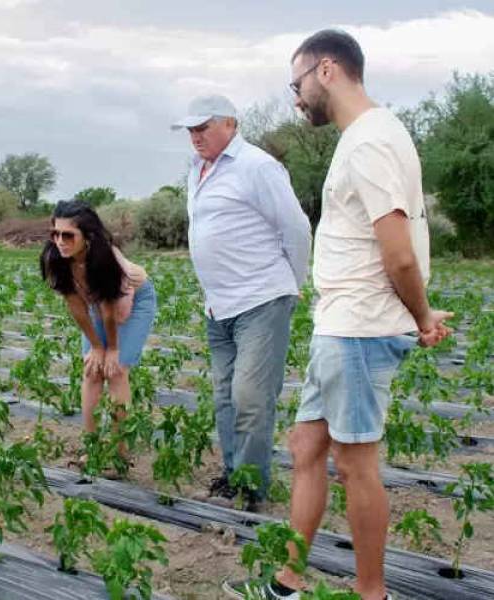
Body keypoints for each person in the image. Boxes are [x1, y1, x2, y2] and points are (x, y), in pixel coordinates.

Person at [223, 30, 452, 600]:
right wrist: (415, 312)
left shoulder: (371, 141)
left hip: (357, 329)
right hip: (342, 325)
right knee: (305, 447)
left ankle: (372, 594)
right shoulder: (368, 137)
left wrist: (420, 317)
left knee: (354, 465)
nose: (295, 97)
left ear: (326, 70)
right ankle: (288, 583)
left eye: (296, 83)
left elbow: (397, 250)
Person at [171, 94, 312, 509]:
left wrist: (292, 281)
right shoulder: (198, 170)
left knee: (251, 398)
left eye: (202, 128)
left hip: (261, 299)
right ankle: (234, 476)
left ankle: (252, 490)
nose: (195, 136)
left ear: (229, 124)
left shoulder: (257, 166)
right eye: (190, 130)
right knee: (225, 397)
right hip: (219, 307)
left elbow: (296, 228)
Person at [40, 200, 156, 472]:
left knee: (116, 371)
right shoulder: (56, 257)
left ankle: (119, 454)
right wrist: (95, 345)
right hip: (96, 303)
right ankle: (91, 447)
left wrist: (111, 349)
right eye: (55, 234)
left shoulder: (106, 260)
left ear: (88, 237)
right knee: (92, 369)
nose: (60, 241)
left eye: (68, 235)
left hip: (132, 301)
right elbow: (76, 305)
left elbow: (111, 311)